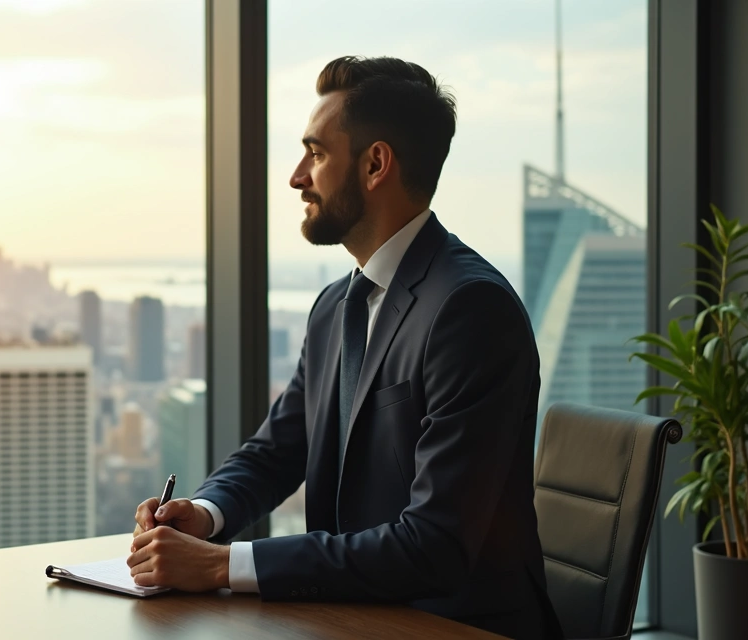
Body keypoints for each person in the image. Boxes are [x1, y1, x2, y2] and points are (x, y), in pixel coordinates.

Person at [126, 56, 561, 640]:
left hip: (452, 627)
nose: (296, 177)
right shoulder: (335, 306)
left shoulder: (471, 310)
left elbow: (433, 546)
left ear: (375, 164)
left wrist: (221, 566)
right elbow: (275, 452)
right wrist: (204, 516)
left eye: (316, 153)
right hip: (348, 617)